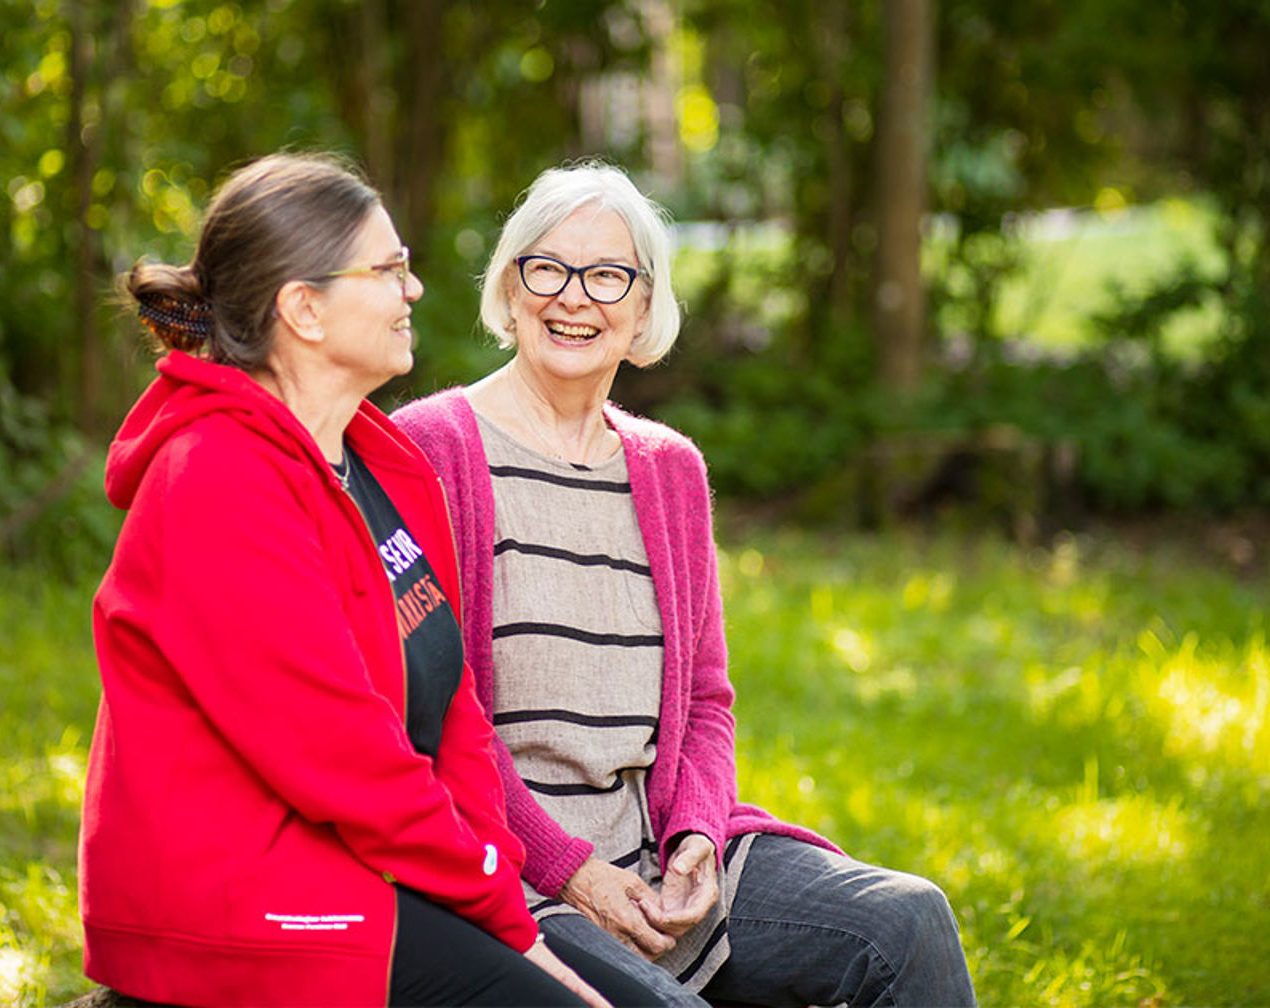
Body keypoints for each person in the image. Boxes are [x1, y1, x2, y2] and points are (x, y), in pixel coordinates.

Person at [392, 161, 978, 1008]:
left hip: (661, 858)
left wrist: (697, 833)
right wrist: (576, 870)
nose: (574, 298)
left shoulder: (670, 469)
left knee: (907, 920)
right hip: (522, 875)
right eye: (546, 269)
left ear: (642, 309)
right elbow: (440, 719)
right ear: (511, 290)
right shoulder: (429, 449)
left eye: (607, 276)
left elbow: (706, 701)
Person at [79, 152, 646, 1007]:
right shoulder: (216, 480)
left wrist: (498, 892)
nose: (411, 290)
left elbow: (450, 703)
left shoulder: (379, 463)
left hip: (365, 863)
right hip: (251, 903)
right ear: (303, 308)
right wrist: (503, 909)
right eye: (388, 270)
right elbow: (345, 759)